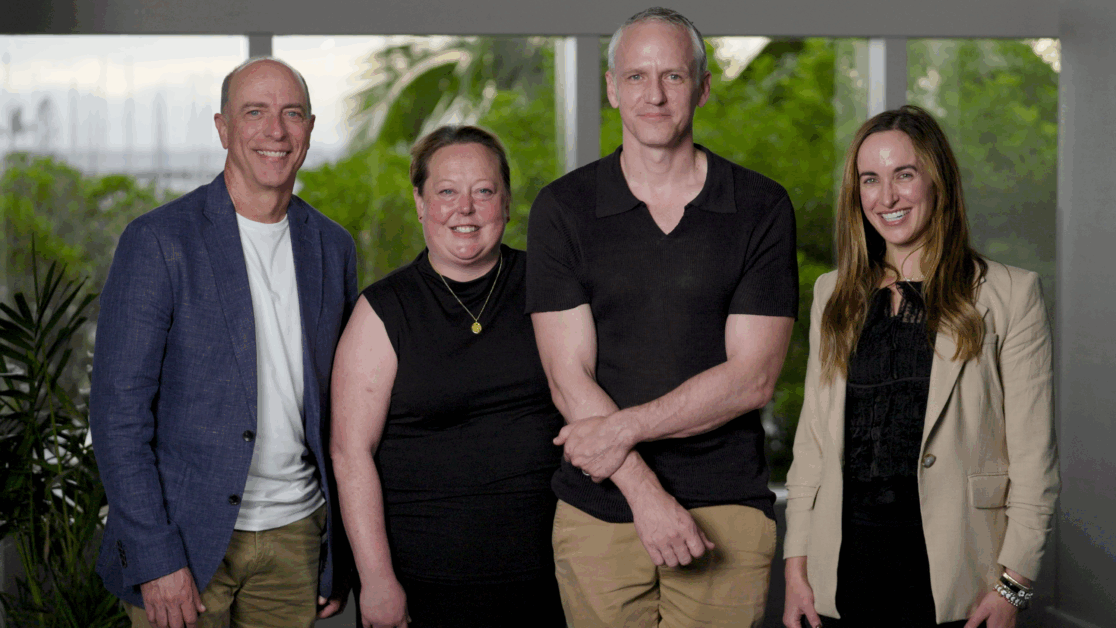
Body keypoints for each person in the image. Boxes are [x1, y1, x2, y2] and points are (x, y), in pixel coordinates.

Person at [526, 7, 798, 628]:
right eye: (636, 76)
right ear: (611, 88)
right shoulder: (563, 209)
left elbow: (752, 378)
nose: (654, 94)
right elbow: (568, 378)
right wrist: (646, 496)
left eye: (673, 76)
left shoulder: (760, 207)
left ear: (702, 88)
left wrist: (621, 430)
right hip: (599, 507)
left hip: (726, 505)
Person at [90, 57, 356, 628]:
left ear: (310, 128)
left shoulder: (332, 247)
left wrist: (338, 552)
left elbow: (339, 407)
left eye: (292, 114)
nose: (275, 131)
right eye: (254, 112)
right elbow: (117, 415)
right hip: (185, 542)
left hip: (297, 535)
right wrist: (155, 557)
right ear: (222, 127)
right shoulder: (158, 240)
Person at [782, 105, 1059, 628]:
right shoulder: (832, 294)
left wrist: (1014, 587)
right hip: (843, 571)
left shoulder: (1010, 294)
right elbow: (811, 446)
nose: (886, 197)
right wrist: (796, 568)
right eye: (870, 179)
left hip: (958, 576)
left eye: (904, 175)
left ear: (938, 181)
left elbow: (1033, 459)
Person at [330, 125, 566, 628]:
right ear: (420, 203)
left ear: (506, 202)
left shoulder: (550, 288)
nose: (465, 209)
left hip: (550, 581)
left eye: (483, 191)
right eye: (446, 192)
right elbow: (350, 454)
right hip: (423, 585)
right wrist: (376, 580)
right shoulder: (382, 310)